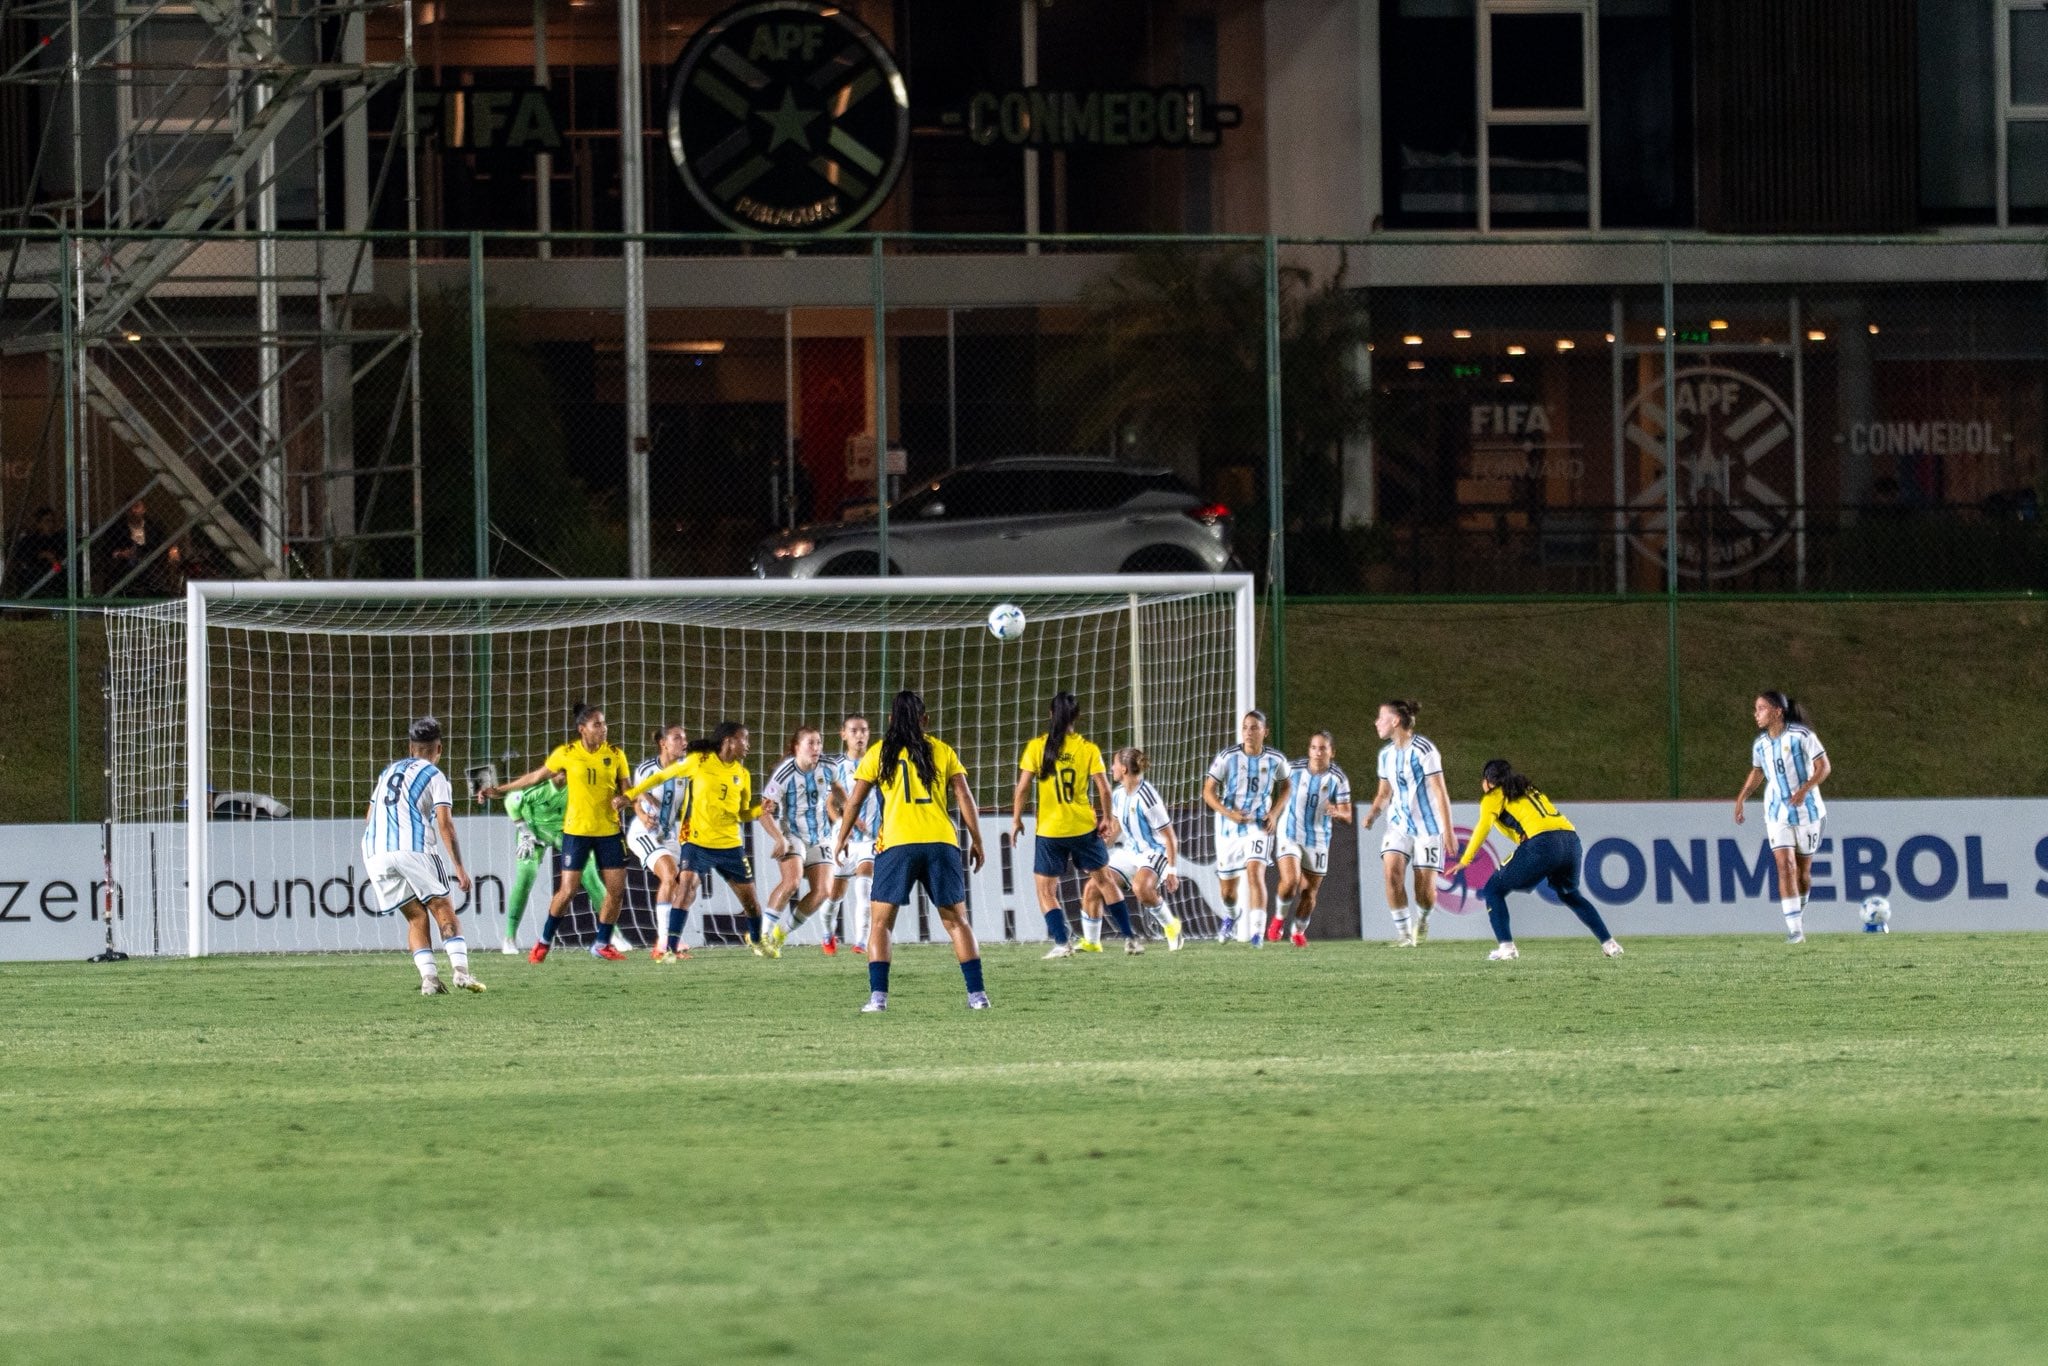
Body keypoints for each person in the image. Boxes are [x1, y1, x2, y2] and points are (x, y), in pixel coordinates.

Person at [831, 689, 989, 1012]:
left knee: (880, 924)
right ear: (925, 720)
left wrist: (842, 837)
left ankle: (878, 998)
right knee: (958, 922)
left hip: (897, 844)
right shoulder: (941, 750)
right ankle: (978, 996)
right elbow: (964, 796)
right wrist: (977, 839)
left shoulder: (879, 753)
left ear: (890, 720)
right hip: (940, 842)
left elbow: (855, 800)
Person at [481, 701, 633, 963]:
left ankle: (602, 942)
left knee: (616, 891)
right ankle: (543, 943)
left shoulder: (616, 755)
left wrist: (624, 799)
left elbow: (629, 789)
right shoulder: (567, 753)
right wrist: (501, 790)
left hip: (609, 831)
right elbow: (535, 777)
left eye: (605, 723)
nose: (604, 729)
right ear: (582, 728)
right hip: (576, 832)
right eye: (597, 724)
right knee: (567, 892)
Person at [1450, 759, 1623, 961]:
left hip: (1543, 844)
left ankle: (1506, 947)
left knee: (1492, 890)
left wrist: (1465, 859)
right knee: (1570, 894)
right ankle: (1609, 943)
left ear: (1488, 781)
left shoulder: (1493, 796)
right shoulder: (1529, 789)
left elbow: (1483, 827)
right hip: (1571, 841)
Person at [628, 721, 771, 954]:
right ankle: (669, 948)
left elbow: (742, 813)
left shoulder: (743, 774)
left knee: (751, 903)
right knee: (683, 887)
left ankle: (757, 942)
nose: (748, 745)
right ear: (729, 741)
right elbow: (660, 777)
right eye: (744, 739)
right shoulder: (700, 762)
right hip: (696, 842)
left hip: (729, 845)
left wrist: (758, 811)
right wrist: (631, 795)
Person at [362, 716, 481, 994]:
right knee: (442, 907)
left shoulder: (388, 772)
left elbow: (369, 817)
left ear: (410, 747)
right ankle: (461, 972)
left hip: (374, 851)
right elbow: (445, 824)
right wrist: (459, 868)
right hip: (413, 847)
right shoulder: (435, 775)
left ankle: (429, 980)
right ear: (439, 748)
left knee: (416, 917)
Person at [1011, 691, 1118, 959]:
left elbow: (1023, 787)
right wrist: (1107, 817)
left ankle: (1062, 942)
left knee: (1046, 890)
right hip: (1083, 826)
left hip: (1050, 830)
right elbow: (1104, 789)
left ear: (1050, 714)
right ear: (1077, 717)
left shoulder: (1038, 747)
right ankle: (1126, 934)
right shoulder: (1086, 748)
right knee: (1102, 880)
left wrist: (1016, 819)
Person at [1733, 690, 1831, 944]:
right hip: (1777, 812)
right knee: (1784, 866)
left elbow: (1824, 767)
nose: (1756, 714)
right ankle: (1796, 931)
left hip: (1808, 811)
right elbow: (1757, 773)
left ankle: (1798, 913)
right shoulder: (1760, 744)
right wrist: (1742, 798)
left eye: (1761, 708)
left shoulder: (1803, 737)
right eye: (1756, 709)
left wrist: (1804, 789)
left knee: (1803, 874)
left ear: (1778, 711)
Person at [1363, 699, 1453, 947]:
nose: (1376, 722)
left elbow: (1439, 792)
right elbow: (1384, 793)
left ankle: (1422, 920)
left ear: (1395, 721)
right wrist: (1373, 813)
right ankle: (1404, 934)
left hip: (1428, 828)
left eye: (1381, 718)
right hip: (1398, 825)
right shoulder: (1386, 755)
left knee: (1424, 892)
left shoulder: (1425, 750)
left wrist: (1449, 831)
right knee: (1391, 873)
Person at [1203, 709, 1290, 945]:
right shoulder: (1228, 757)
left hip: (1259, 826)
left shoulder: (1275, 759)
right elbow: (1207, 792)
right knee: (1228, 893)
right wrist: (1228, 813)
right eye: (1245, 727)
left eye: (1254, 727)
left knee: (1255, 872)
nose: (1248, 732)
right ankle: (1232, 917)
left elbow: (1287, 786)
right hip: (1228, 829)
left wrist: (1274, 813)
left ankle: (1257, 935)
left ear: (1265, 731)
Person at [500, 771, 608, 954]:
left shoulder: (582, 789)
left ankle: (611, 934)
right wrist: (523, 830)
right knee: (526, 877)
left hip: (566, 833)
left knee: (590, 877)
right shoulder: (538, 788)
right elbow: (511, 801)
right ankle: (509, 938)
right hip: (534, 832)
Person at [1271, 731, 1353, 947]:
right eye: (1314, 748)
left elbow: (1348, 815)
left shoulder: (1338, 778)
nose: (1317, 752)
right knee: (1290, 881)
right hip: (1289, 832)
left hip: (1318, 839)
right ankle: (1278, 920)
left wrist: (1337, 812)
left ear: (1331, 752)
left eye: (1323, 748)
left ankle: (1297, 931)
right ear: (1309, 750)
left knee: (1309, 892)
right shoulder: (1293, 769)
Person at [762, 725, 839, 955]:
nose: (816, 748)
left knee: (824, 891)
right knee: (792, 882)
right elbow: (763, 811)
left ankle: (780, 934)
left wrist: (848, 814)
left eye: (819, 742)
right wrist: (778, 839)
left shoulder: (829, 767)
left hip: (820, 836)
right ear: (797, 747)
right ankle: (762, 936)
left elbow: (838, 789)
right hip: (792, 834)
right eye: (810, 743)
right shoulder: (784, 774)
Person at [1099, 747, 1183, 952]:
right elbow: (1117, 828)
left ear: (1125, 769)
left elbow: (1170, 837)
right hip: (1131, 852)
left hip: (1155, 852)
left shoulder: (1148, 797)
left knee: (1142, 889)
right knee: (1096, 883)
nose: (1111, 768)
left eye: (1115, 764)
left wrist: (1172, 871)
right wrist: (1098, 854)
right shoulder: (1118, 795)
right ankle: (1091, 942)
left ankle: (1171, 926)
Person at [628, 724, 694, 963]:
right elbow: (636, 797)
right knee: (669, 875)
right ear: (663, 743)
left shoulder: (686, 772)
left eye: (685, 739)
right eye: (678, 738)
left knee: (687, 884)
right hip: (644, 833)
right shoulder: (647, 769)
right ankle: (663, 942)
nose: (683, 742)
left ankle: (673, 939)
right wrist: (644, 815)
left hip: (669, 834)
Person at [823, 713, 880, 955]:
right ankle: (828, 935)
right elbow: (829, 804)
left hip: (871, 839)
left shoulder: (878, 764)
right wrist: (840, 825)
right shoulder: (836, 767)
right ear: (843, 734)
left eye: (864, 730)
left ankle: (861, 943)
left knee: (865, 891)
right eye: (854, 731)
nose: (860, 735)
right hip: (843, 839)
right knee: (834, 896)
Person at [6, 506, 65, 599]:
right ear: (39, 524)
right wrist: (42, 555)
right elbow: (22, 558)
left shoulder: (57, 540)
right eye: (47, 521)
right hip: (33, 574)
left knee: (60, 572)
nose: (51, 525)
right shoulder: (30, 540)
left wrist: (52, 560)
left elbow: (59, 562)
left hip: (54, 572)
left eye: (52, 521)